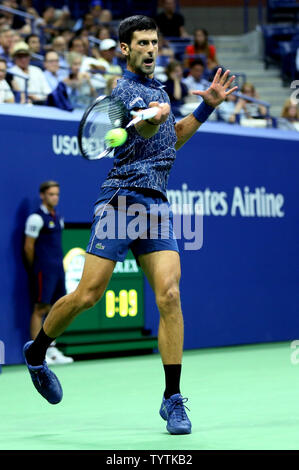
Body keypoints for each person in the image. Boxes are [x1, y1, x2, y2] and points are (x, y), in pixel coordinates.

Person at [23, 15, 237, 435]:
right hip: (120, 202)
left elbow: (170, 135)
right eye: (142, 43)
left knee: (170, 295)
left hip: (156, 205)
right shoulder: (122, 92)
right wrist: (151, 116)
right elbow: (146, 123)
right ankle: (37, 353)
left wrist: (206, 106)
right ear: (125, 49)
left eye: (155, 42)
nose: (152, 49)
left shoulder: (160, 91)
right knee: (87, 295)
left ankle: (172, 398)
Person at [24, 181, 73, 365]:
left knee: (56, 308)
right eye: (51, 194)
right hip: (43, 270)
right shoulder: (35, 219)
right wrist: (35, 267)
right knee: (40, 309)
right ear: (42, 196)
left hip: (58, 269)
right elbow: (28, 247)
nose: (55, 197)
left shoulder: (58, 217)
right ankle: (37, 353)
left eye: (57, 194)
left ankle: (51, 349)